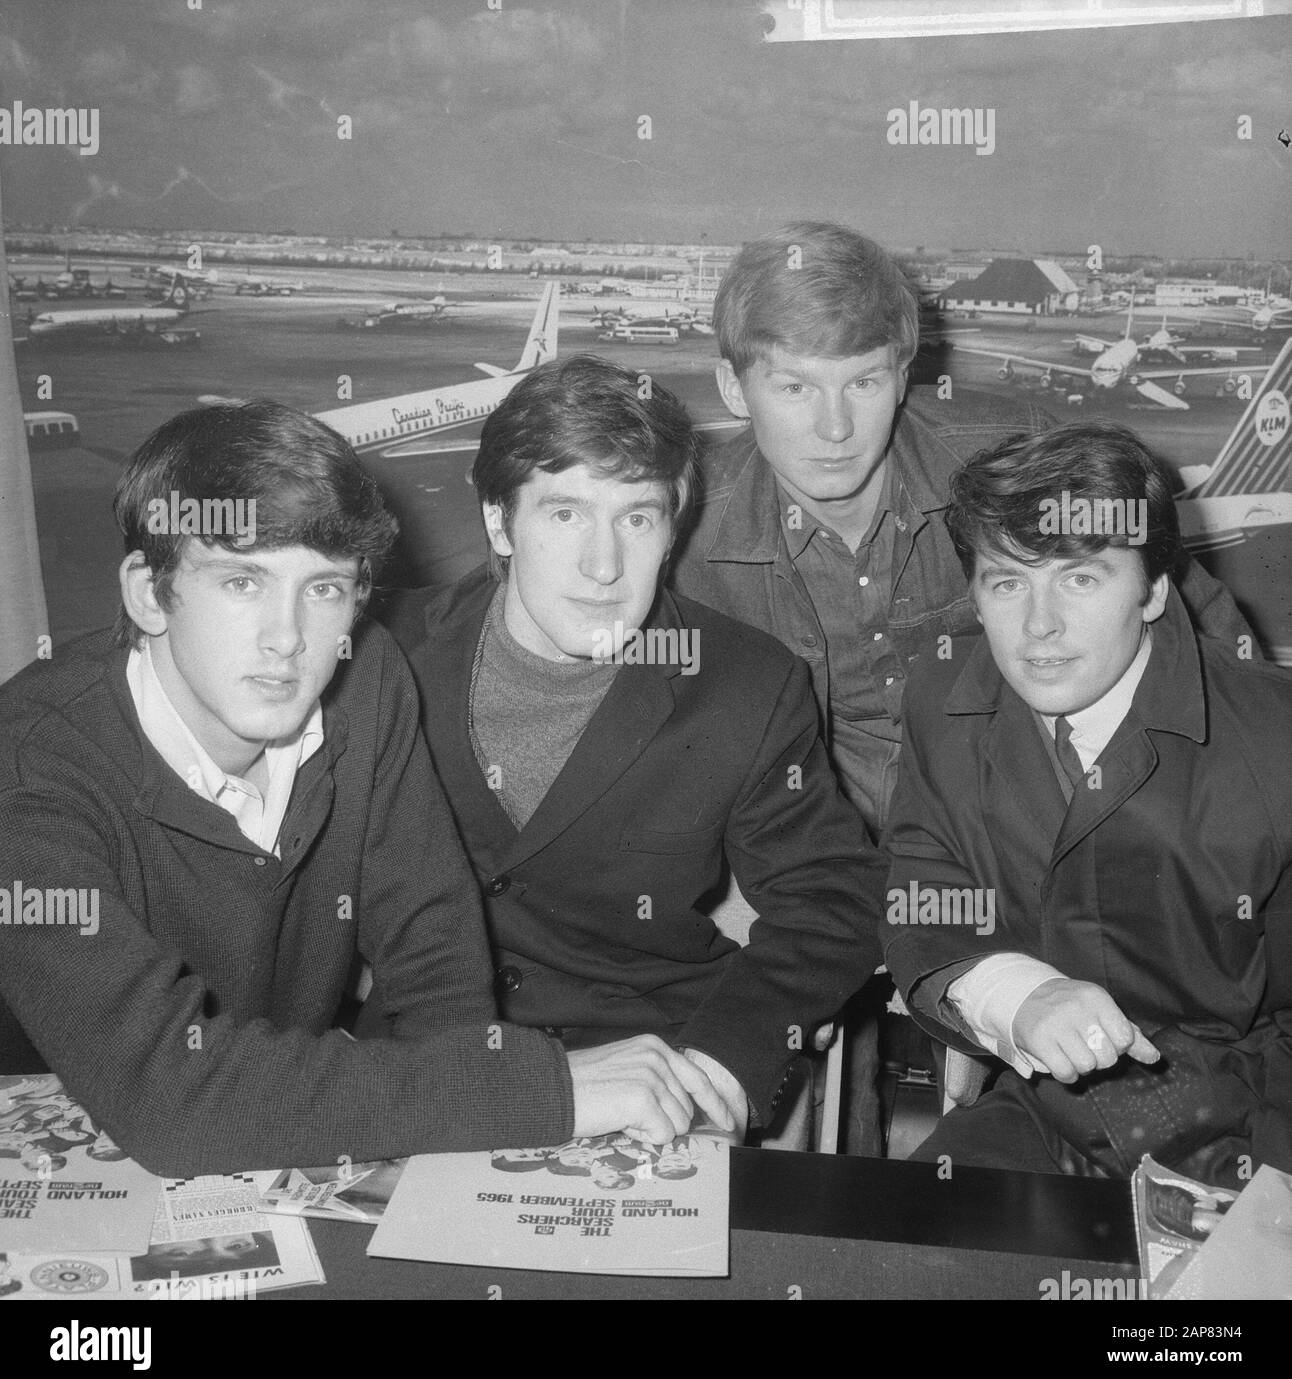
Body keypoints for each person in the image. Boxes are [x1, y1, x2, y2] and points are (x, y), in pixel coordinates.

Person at [0, 400, 730, 1178]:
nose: (287, 639)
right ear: (149, 593)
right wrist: (538, 1092)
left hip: (272, 1137)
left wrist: (460, 1181)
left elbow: (433, 951)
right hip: (62, 1162)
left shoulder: (364, 676)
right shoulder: (32, 765)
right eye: (242, 581)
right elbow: (168, 1096)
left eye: (324, 589)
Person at [669, 220, 1254, 1153]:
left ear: (905, 372)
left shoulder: (1009, 476)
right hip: (802, 867)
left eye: (863, 381)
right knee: (760, 1141)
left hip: (1009, 849)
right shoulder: (677, 529)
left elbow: (1201, 629)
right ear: (734, 387)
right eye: (794, 386)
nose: (833, 427)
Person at [386, 355, 886, 1141]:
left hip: (653, 1066)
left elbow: (837, 899)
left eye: (637, 518)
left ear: (673, 525)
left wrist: (729, 1054)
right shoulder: (386, 655)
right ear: (497, 521)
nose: (603, 565)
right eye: (564, 514)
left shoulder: (746, 685)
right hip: (430, 1069)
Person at [880, 422, 1292, 1186]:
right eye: (1007, 582)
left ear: (1155, 589)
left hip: (1251, 1121)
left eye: (1080, 578)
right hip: (1043, 1110)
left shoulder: (1277, 739)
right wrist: (1017, 994)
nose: (1039, 627)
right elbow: (921, 896)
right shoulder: (941, 704)